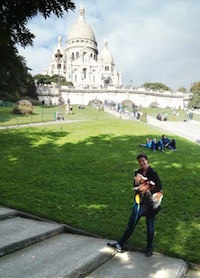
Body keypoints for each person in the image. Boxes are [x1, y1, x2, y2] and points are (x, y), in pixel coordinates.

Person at [107, 153, 163, 257]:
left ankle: (149, 248)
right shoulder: (137, 173)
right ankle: (120, 244)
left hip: (150, 203)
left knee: (150, 226)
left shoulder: (153, 173)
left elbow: (159, 186)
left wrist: (147, 188)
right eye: (140, 161)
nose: (142, 163)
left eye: (143, 160)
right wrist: (140, 187)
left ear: (147, 160)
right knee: (132, 223)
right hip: (140, 202)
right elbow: (135, 185)